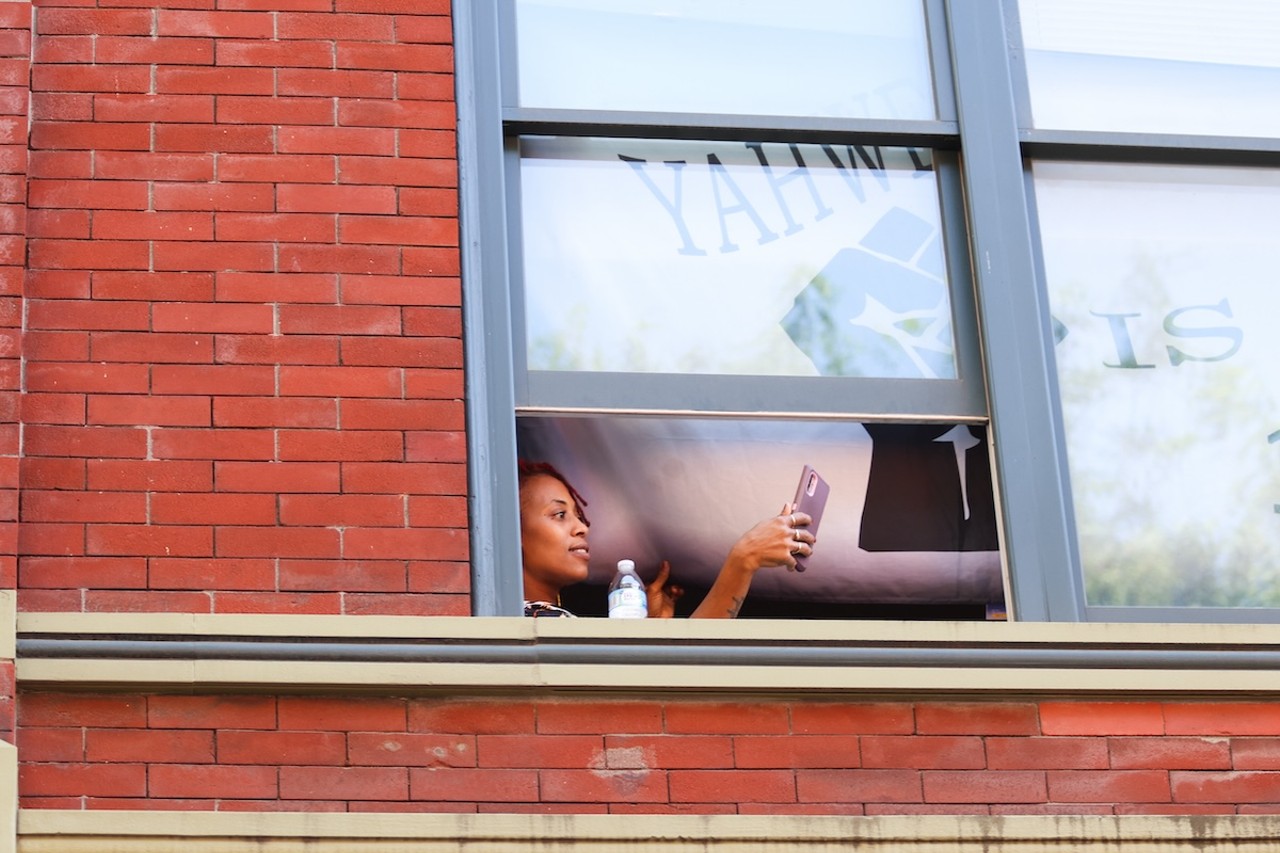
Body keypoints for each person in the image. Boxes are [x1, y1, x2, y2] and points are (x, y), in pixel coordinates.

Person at [518, 460, 815, 618]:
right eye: (559, 515)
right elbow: (685, 670)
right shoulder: (537, 623)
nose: (581, 527)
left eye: (578, 515)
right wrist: (745, 558)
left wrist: (648, 636)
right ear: (511, 531)